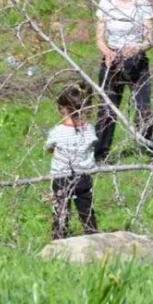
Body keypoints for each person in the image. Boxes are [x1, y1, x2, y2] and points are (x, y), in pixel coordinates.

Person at [94, 0, 153, 162]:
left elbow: (150, 38)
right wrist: (106, 52)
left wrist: (138, 47)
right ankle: (99, 156)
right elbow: (99, 38)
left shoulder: (142, 4)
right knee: (107, 110)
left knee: (143, 109)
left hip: (136, 62)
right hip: (111, 62)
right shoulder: (106, 3)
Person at [46, 83, 99, 240]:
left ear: (62, 109)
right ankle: (92, 235)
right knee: (86, 210)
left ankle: (59, 237)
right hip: (83, 177)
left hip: (61, 177)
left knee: (61, 210)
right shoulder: (89, 129)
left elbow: (49, 148)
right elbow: (93, 144)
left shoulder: (57, 132)